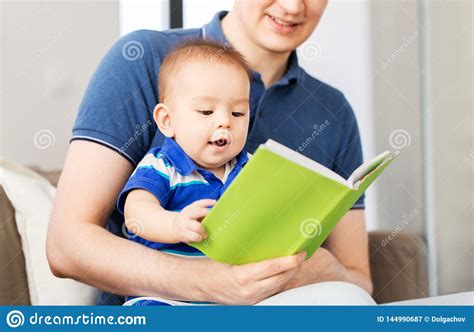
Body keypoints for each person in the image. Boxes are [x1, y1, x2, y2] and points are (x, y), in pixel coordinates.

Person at [46, 0, 373, 305]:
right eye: (205, 112)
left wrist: (320, 268)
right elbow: (66, 247)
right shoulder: (143, 59)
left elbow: (360, 282)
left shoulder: (333, 111)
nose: (292, 7)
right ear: (166, 118)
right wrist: (207, 281)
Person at [118, 40, 257, 300]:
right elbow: (136, 214)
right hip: (164, 296)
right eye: (206, 111)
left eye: (238, 113)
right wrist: (175, 224)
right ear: (167, 121)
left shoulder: (251, 167)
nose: (225, 121)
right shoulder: (162, 165)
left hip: (232, 298)